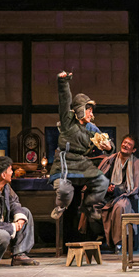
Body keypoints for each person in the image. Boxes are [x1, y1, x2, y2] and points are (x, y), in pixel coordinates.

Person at [48, 71, 112, 228]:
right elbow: (64, 101)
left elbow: (106, 142)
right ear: (80, 109)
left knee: (102, 182)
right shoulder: (68, 122)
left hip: (82, 163)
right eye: (89, 110)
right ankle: (61, 206)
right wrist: (63, 83)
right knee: (64, 190)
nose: (91, 114)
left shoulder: (92, 128)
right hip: (65, 161)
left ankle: (89, 206)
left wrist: (109, 147)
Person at [96, 134, 139, 253]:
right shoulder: (111, 160)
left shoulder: (137, 163)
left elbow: (135, 187)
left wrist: (117, 189)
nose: (125, 145)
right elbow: (101, 178)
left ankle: (119, 243)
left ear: (133, 150)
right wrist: (107, 187)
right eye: (124, 142)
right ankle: (100, 240)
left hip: (125, 195)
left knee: (121, 206)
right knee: (91, 204)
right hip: (107, 196)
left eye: (129, 144)